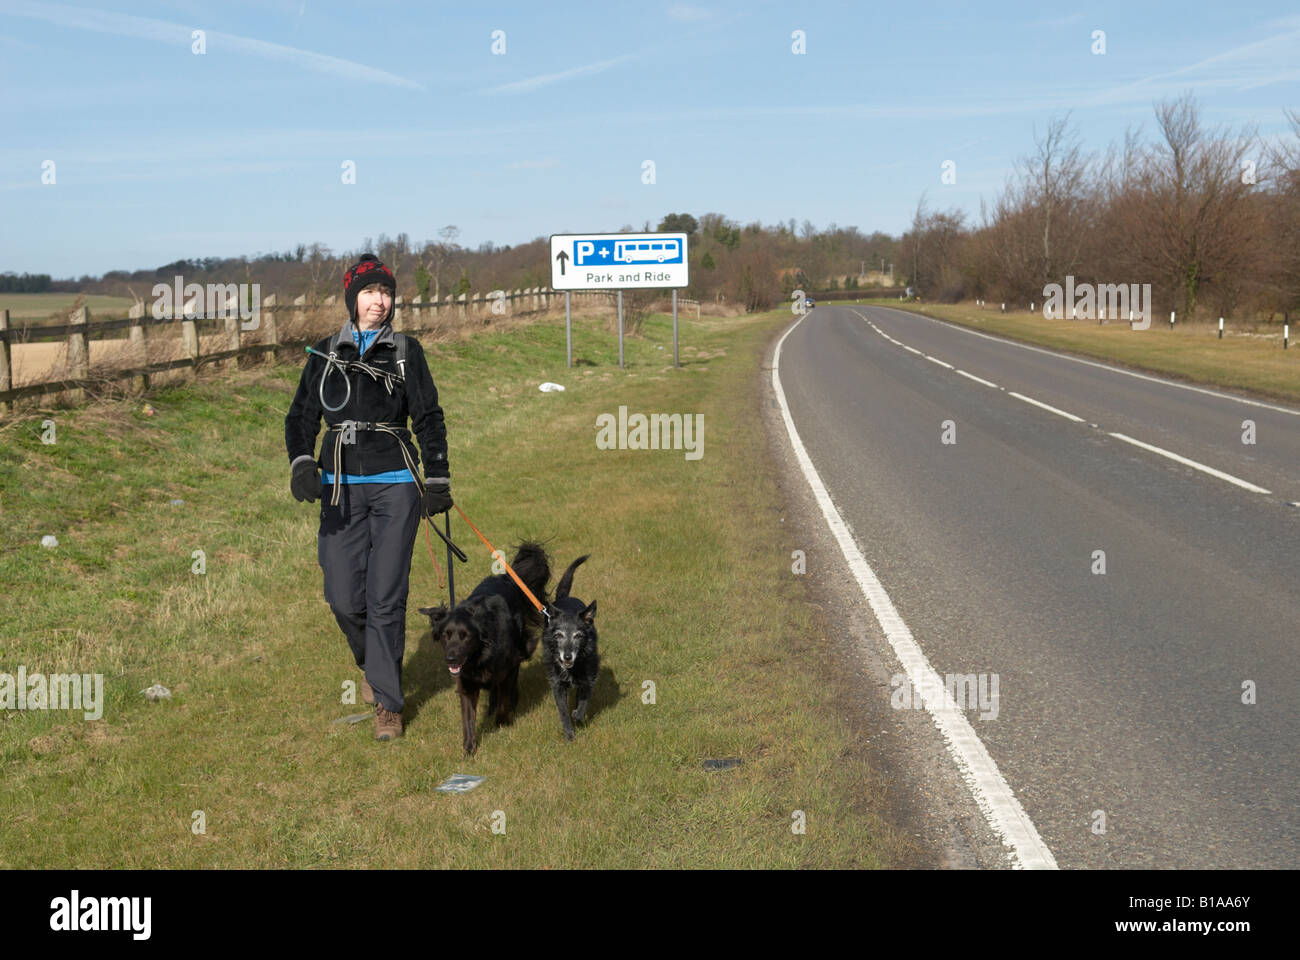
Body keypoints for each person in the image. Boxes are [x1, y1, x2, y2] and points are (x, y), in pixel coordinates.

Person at [284, 253, 453, 741]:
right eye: (370, 292)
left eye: (386, 293)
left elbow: (428, 416)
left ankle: (387, 703)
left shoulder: (405, 351)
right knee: (341, 595)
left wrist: (437, 476)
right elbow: (299, 419)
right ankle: (374, 661)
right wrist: (301, 464)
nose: (379, 301)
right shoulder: (323, 354)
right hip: (338, 489)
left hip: (396, 482)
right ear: (352, 298)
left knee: (385, 596)